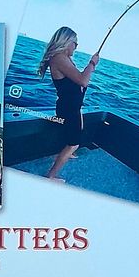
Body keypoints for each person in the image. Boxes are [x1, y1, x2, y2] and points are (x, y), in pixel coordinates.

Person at [38, 27, 100, 181]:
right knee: (74, 143)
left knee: (74, 132)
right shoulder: (59, 58)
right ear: (66, 42)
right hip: (69, 108)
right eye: (75, 43)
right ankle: (51, 176)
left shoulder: (64, 58)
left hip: (71, 106)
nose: (76, 47)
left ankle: (67, 153)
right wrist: (92, 63)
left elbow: (76, 81)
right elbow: (83, 80)